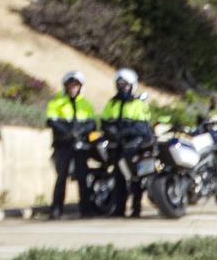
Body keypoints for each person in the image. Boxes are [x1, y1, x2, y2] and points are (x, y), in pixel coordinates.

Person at [100, 67, 154, 217]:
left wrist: (124, 132)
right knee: (118, 179)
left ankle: (136, 209)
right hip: (117, 147)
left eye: (126, 85)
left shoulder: (139, 104)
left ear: (132, 86)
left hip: (133, 147)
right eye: (120, 85)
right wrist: (111, 132)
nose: (122, 88)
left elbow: (142, 127)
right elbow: (104, 121)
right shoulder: (111, 103)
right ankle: (119, 209)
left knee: (135, 179)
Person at [43, 70, 94, 220]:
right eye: (70, 86)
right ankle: (57, 209)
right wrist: (68, 133)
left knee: (83, 178)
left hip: (80, 146)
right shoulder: (56, 102)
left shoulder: (85, 104)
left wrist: (80, 132)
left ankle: (86, 209)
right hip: (63, 145)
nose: (73, 88)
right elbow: (52, 121)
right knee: (61, 178)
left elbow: (91, 124)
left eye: (76, 86)